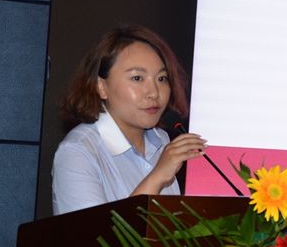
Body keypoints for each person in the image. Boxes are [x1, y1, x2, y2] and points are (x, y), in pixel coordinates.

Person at [52, 25, 206, 215]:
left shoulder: (162, 141)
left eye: (162, 78)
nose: (154, 92)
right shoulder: (77, 151)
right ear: (101, 87)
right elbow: (96, 233)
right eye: (137, 78)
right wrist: (158, 177)